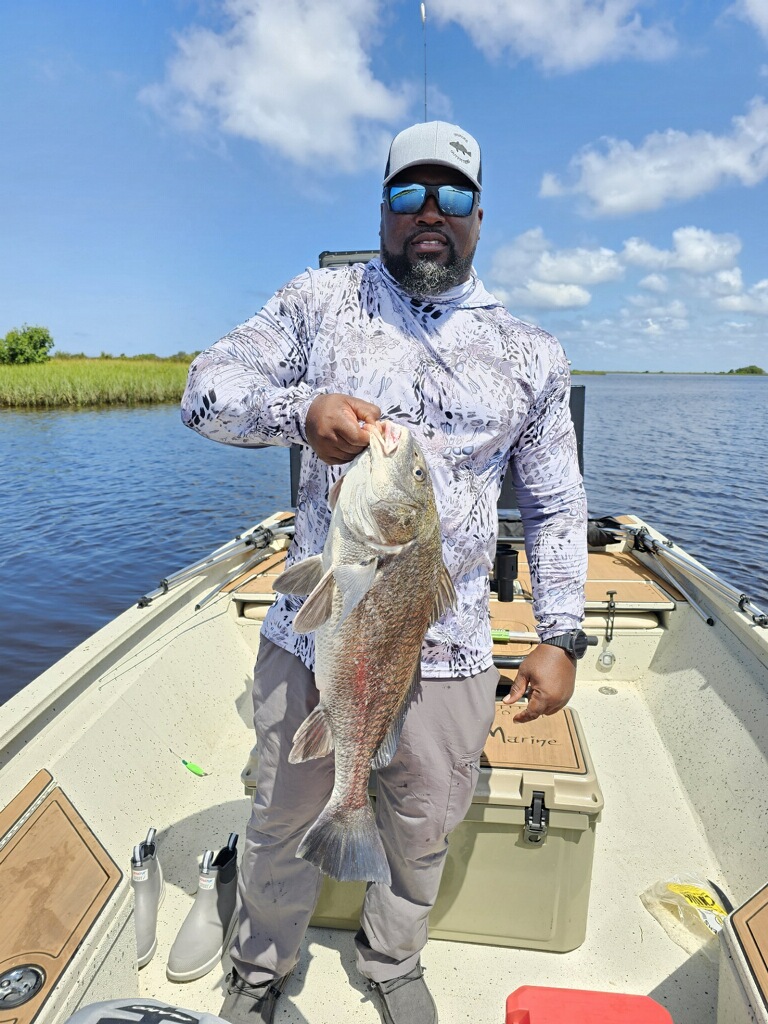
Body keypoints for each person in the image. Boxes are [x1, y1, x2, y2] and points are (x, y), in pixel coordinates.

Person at [181, 120, 588, 1024]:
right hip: (316, 636)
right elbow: (204, 391)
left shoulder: (531, 351)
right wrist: (301, 409)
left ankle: (390, 961)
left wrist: (562, 635)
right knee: (281, 817)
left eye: (450, 197)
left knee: (423, 832)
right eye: (409, 195)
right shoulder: (322, 303)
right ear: (384, 209)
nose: (429, 213)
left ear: (480, 215)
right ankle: (258, 971)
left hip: (452, 653)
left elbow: (557, 506)